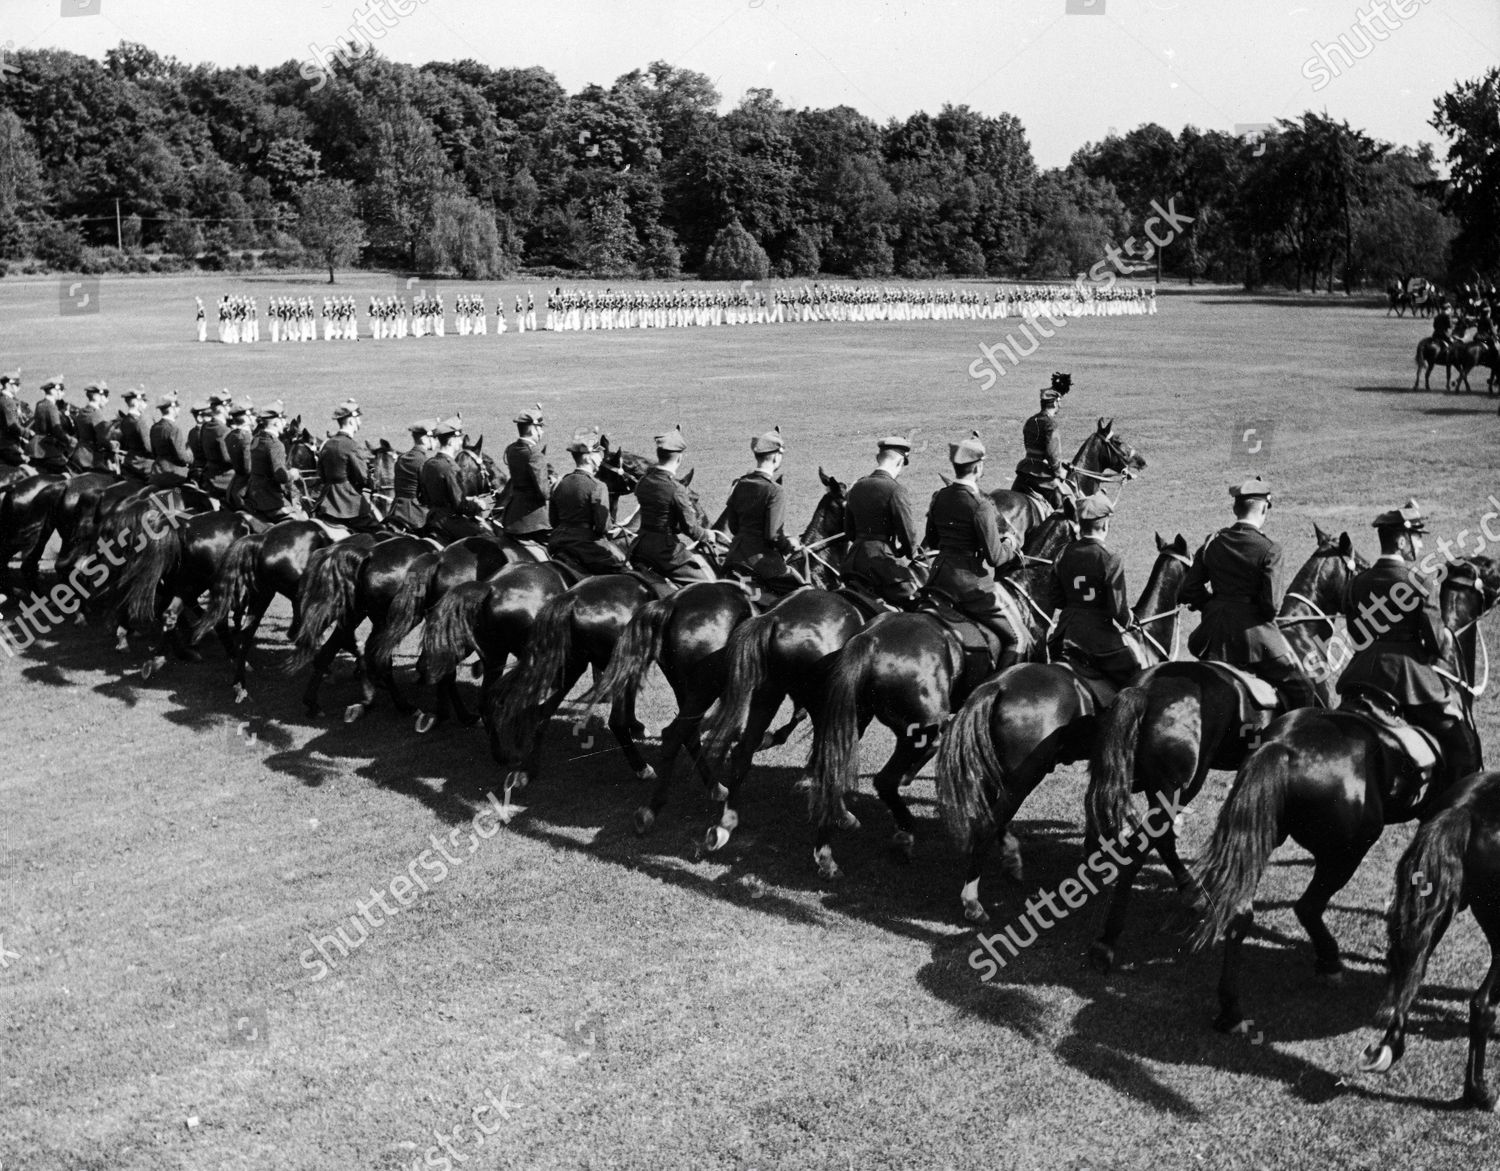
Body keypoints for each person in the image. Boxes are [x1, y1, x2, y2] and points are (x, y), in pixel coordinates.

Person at [1336, 500, 1481, 794]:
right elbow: (1438, 641)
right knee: (1459, 734)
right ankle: (1463, 798)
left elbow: (1355, 635)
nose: (1418, 543)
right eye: (1415, 536)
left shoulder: (1357, 582)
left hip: (1361, 672)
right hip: (1407, 677)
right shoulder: (1417, 581)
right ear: (1402, 540)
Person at [1181, 475, 1319, 711]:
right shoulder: (1269, 549)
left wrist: (1214, 605)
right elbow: (1271, 607)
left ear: (1236, 507)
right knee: (1302, 688)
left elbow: (1189, 589)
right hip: (1254, 639)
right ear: (1265, 508)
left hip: (1213, 635)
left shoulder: (1213, 542)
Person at [923, 431, 1023, 666]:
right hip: (970, 586)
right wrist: (1010, 543)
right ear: (977, 468)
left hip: (938, 579)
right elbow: (996, 557)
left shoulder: (939, 497)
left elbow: (933, 540)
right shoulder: (981, 505)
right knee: (1017, 639)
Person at [1048, 494, 1143, 686]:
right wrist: (1130, 622)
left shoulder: (1062, 553)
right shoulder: (1110, 558)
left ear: (1080, 525)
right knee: (1135, 675)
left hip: (1064, 635)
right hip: (1097, 639)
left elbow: (1056, 599)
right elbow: (1117, 609)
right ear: (1106, 525)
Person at [630, 426, 723, 585]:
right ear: (679, 458)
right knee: (708, 585)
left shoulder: (644, 481)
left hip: (640, 546)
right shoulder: (676, 489)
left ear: (659, 455)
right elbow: (691, 529)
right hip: (665, 552)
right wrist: (708, 535)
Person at [723, 427, 805, 596]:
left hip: (735, 559)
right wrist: (788, 545)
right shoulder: (775, 490)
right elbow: (772, 535)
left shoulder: (739, 484)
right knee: (802, 596)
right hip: (761, 564)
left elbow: (733, 526)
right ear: (776, 456)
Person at [841, 435, 921, 607]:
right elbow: (908, 535)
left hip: (853, 563)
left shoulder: (856, 487)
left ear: (879, 458)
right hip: (881, 565)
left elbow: (849, 532)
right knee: (918, 604)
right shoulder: (895, 489)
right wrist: (908, 551)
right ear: (900, 462)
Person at [547, 431, 629, 573]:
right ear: (589, 457)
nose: (601, 458)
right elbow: (603, 528)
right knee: (623, 573)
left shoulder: (559, 483)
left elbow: (553, 521)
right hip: (585, 546)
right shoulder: (598, 486)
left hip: (558, 542)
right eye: (598, 453)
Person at [419, 418, 494, 542]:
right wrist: (478, 505)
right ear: (451, 441)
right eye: (458, 439)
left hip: (431, 519)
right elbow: (460, 506)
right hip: (450, 522)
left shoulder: (428, 464)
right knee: (489, 539)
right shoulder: (450, 468)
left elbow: (423, 497)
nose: (460, 443)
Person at [313, 399, 377, 530]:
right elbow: (363, 478)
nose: (360, 422)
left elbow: (321, 474)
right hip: (348, 503)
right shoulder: (352, 446)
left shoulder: (327, 444)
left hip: (326, 500)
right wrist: (372, 484)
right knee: (378, 533)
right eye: (358, 418)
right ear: (352, 420)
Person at [1012, 374, 1071, 510]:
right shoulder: (1051, 425)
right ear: (1055, 403)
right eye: (1059, 402)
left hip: (1025, 470)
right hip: (1040, 475)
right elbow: (1052, 454)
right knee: (1065, 509)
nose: (1060, 406)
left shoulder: (1030, 421)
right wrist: (1059, 471)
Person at [245, 401, 301, 524]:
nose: (285, 424)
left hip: (253, 495)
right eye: (283, 420)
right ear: (276, 422)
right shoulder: (276, 445)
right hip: (270, 499)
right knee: (302, 521)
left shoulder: (256, 439)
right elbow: (280, 476)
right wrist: (292, 474)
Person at [501, 406, 550, 541]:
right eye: (540, 427)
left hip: (512, 515)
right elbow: (544, 492)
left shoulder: (511, 449)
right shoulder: (535, 454)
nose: (541, 431)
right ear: (532, 428)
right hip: (533, 521)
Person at [389, 419, 436, 531]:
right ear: (425, 439)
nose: (436, 441)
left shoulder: (402, 458)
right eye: (433, 437)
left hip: (396, 510)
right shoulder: (424, 461)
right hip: (415, 514)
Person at [32, 377, 77, 474]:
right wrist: (71, 440)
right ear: (54, 391)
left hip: (35, 447)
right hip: (47, 449)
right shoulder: (51, 407)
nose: (62, 393)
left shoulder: (40, 404)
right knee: (69, 473)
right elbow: (57, 430)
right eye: (61, 390)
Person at [148, 393, 194, 488]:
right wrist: (191, 455)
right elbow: (182, 458)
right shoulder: (173, 429)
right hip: (174, 475)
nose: (179, 410)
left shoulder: (155, 427)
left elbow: (154, 453)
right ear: (172, 408)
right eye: (178, 407)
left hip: (157, 473)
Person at [69, 381, 113, 473]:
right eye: (104, 396)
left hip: (78, 454)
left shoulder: (82, 412)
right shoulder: (96, 414)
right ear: (97, 397)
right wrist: (112, 447)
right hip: (91, 458)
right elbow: (103, 439)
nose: (106, 400)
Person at [198, 394, 234, 499]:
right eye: (228, 406)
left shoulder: (206, 426)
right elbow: (227, 458)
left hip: (209, 474)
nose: (230, 409)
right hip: (225, 478)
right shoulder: (223, 430)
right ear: (221, 409)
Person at [116, 388, 154, 482]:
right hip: (144, 464)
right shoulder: (139, 422)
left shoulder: (125, 420)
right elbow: (149, 448)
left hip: (130, 461)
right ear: (137, 403)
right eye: (142, 401)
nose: (144, 405)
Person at [224, 398, 255, 510]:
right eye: (252, 415)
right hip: (246, 488)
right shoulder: (247, 437)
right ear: (247, 417)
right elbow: (248, 468)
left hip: (234, 485)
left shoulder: (230, 435)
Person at [0, 369, 31, 468]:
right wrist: (28, 433)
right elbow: (12, 425)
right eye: (17, 385)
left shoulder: (6, 399)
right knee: (28, 471)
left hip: (6, 444)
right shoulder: (8, 401)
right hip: (7, 446)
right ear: (8, 385)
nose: (19, 387)